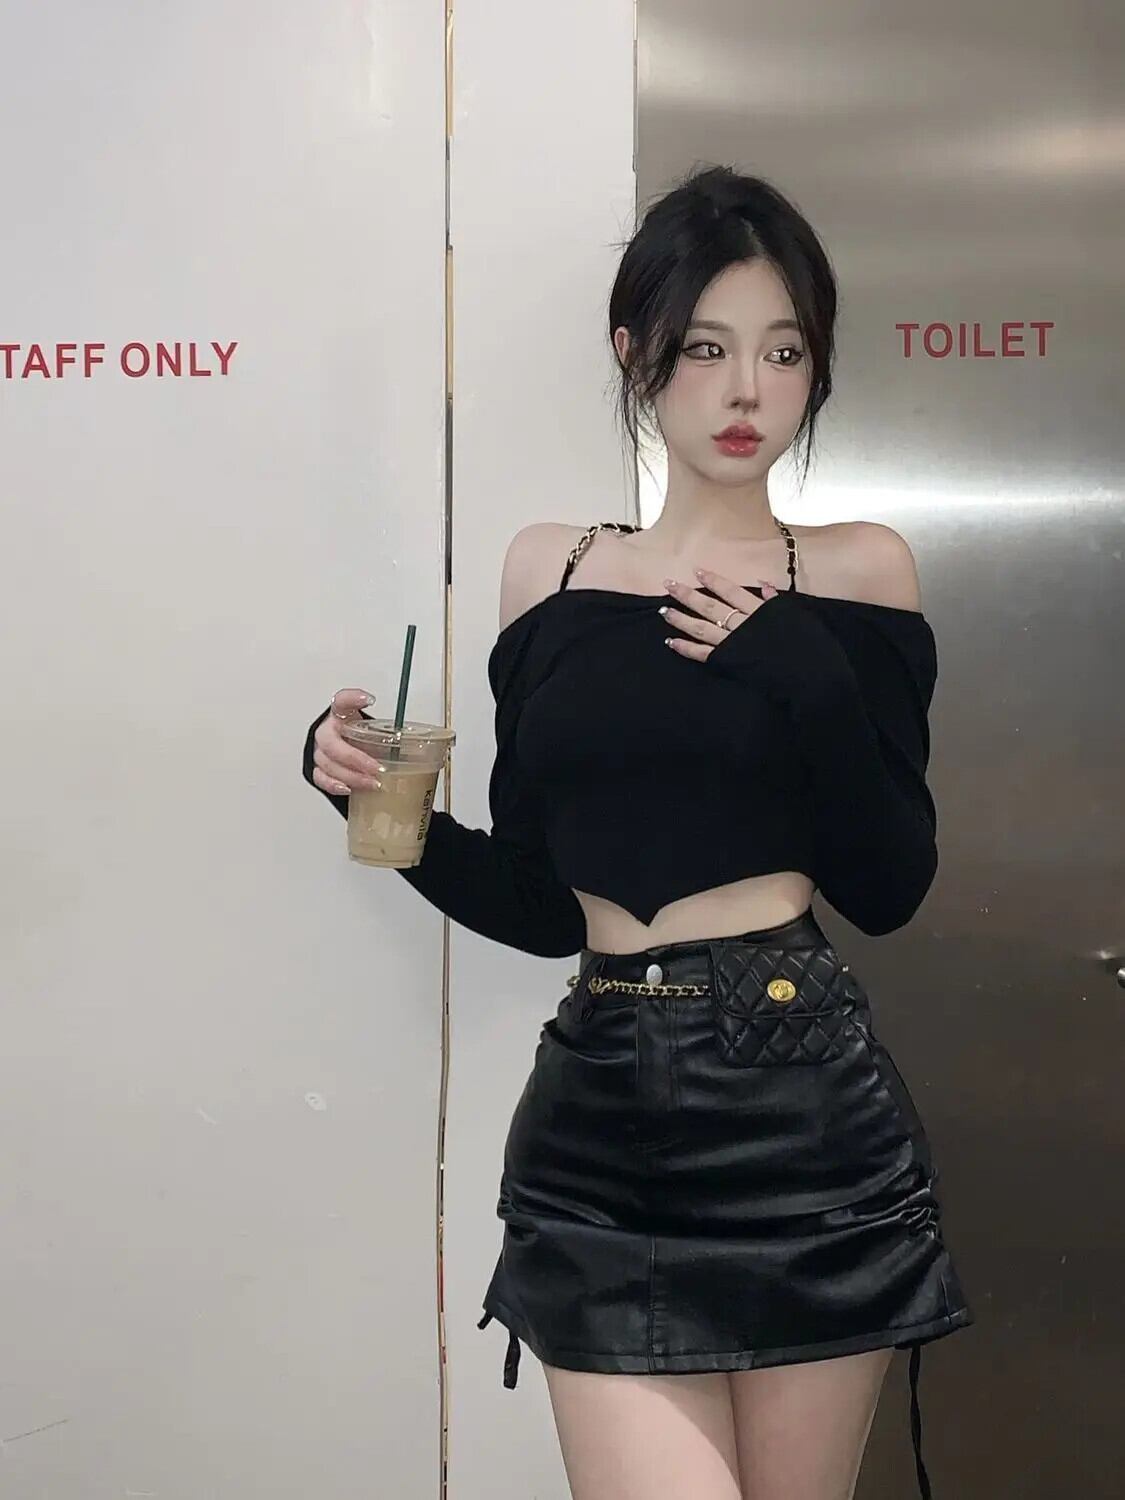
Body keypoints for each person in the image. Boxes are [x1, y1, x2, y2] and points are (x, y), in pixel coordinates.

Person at [302, 164, 974, 1500]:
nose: (745, 391)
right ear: (635, 352)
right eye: (706, 348)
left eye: (784, 351)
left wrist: (808, 678)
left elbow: (891, 885)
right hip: (598, 1118)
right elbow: (541, 900)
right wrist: (374, 802)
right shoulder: (548, 570)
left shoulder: (858, 571)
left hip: (802, 1111)